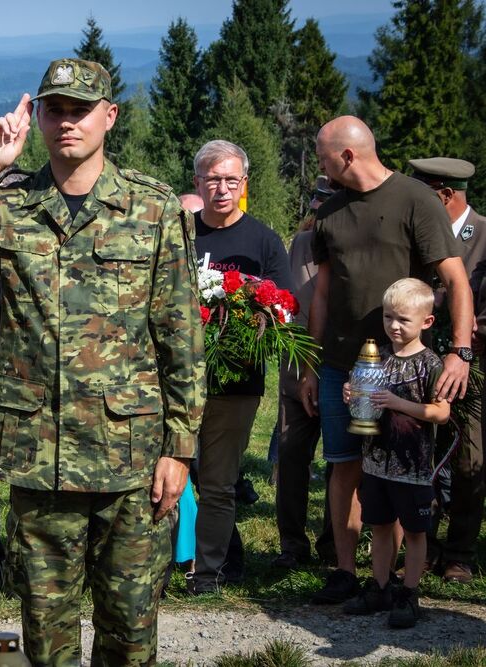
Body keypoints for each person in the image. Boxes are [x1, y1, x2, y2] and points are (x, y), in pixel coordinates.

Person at [0, 57, 205, 666]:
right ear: (37, 117)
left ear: (109, 117)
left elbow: (179, 332)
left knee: (129, 628)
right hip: (41, 460)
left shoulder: (152, 208)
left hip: (131, 453)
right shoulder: (5, 206)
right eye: (55, 108)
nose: (68, 121)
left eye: (81, 109)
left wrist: (181, 445)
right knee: (46, 634)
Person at [301, 116, 473, 604]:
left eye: (322, 156)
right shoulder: (330, 210)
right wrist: (313, 365)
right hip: (340, 365)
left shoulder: (415, 200)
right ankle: (343, 571)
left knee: (392, 469)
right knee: (344, 466)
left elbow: (456, 280)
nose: (319, 164)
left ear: (347, 156)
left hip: (404, 367)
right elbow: (323, 292)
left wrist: (458, 353)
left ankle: (392, 579)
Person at [187, 139, 292, 594]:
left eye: (231, 180)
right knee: (164, 472)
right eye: (213, 180)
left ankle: (208, 572)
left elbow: (286, 306)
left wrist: (247, 312)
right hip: (176, 378)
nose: (222, 189)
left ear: (244, 184)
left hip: (235, 381)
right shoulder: (180, 233)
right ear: (198, 183)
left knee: (217, 481)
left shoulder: (264, 241)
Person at [341, 278, 449, 628]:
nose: (394, 326)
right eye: (389, 317)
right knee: (380, 526)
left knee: (416, 531)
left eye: (403, 319)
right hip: (375, 462)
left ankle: (410, 592)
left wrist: (400, 403)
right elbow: (363, 396)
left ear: (426, 322)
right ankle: (381, 586)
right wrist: (351, 393)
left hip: (412, 467)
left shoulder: (430, 363)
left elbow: (441, 412)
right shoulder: (377, 355)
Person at [410, 157, 486, 584]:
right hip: (421, 362)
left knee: (468, 458)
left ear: (443, 195)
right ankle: (423, 546)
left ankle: (460, 551)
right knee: (420, 455)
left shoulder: (485, 235)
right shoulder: (420, 232)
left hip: (473, 368)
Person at [272, 176, 336, 569]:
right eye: (316, 203)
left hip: (342, 359)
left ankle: (334, 547)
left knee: (341, 459)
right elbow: (293, 299)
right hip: (299, 358)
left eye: (325, 203)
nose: (317, 209)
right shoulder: (300, 244)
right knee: (293, 455)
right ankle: (292, 546)